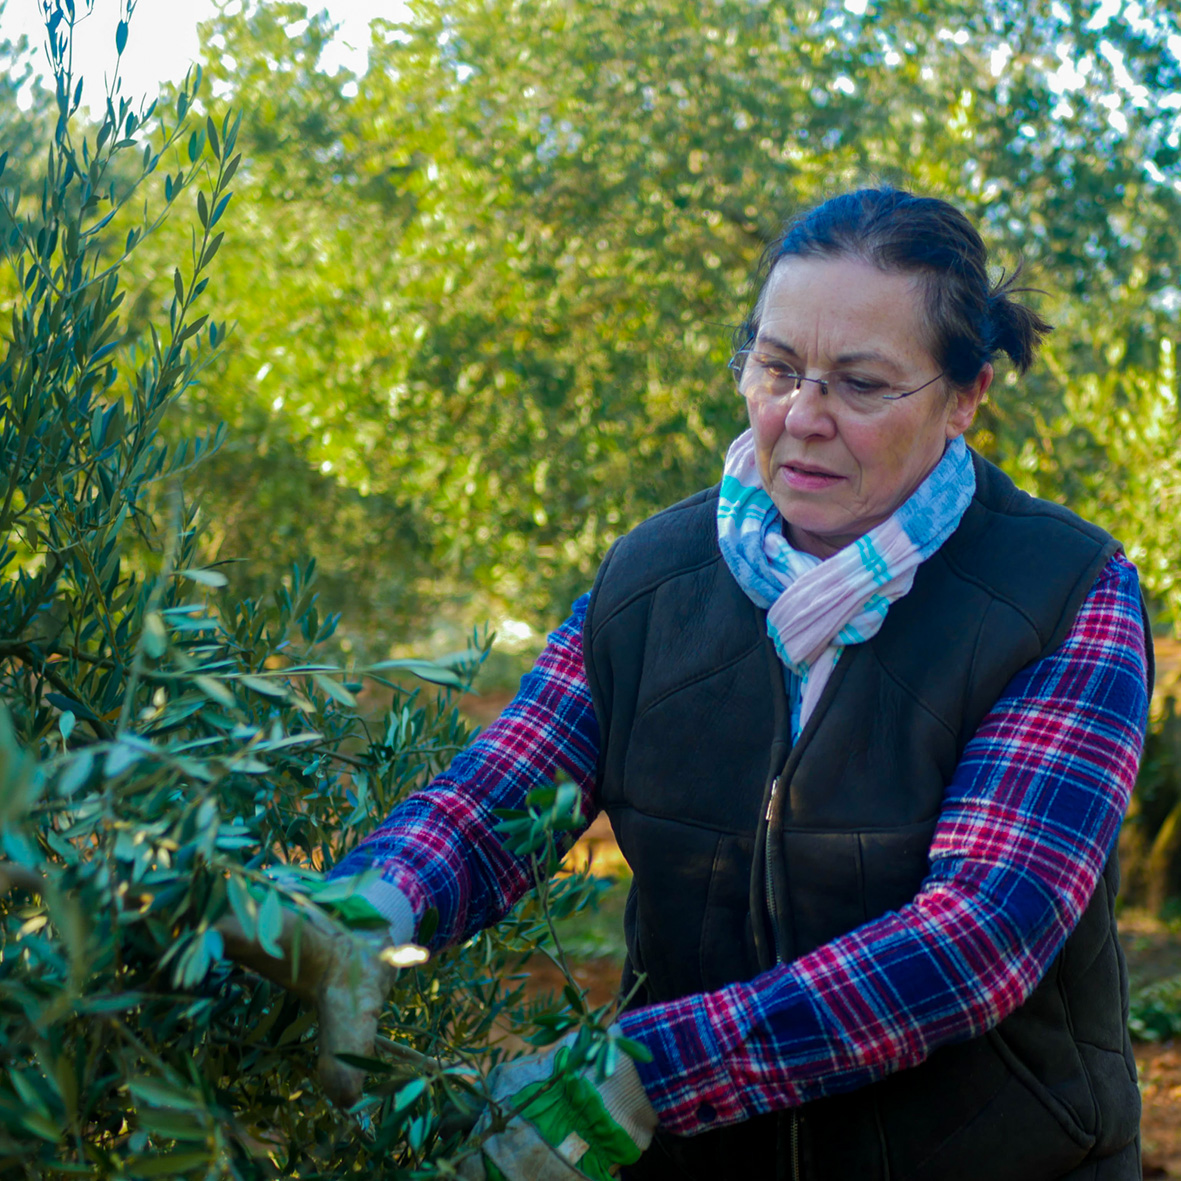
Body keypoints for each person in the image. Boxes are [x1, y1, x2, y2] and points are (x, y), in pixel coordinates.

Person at [327, 187, 1153, 1180]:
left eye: (858, 384)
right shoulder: (652, 581)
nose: (800, 418)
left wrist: (642, 1073)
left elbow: (977, 935)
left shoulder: (1060, 593)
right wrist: (365, 907)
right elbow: (495, 797)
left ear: (964, 393)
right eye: (775, 367)